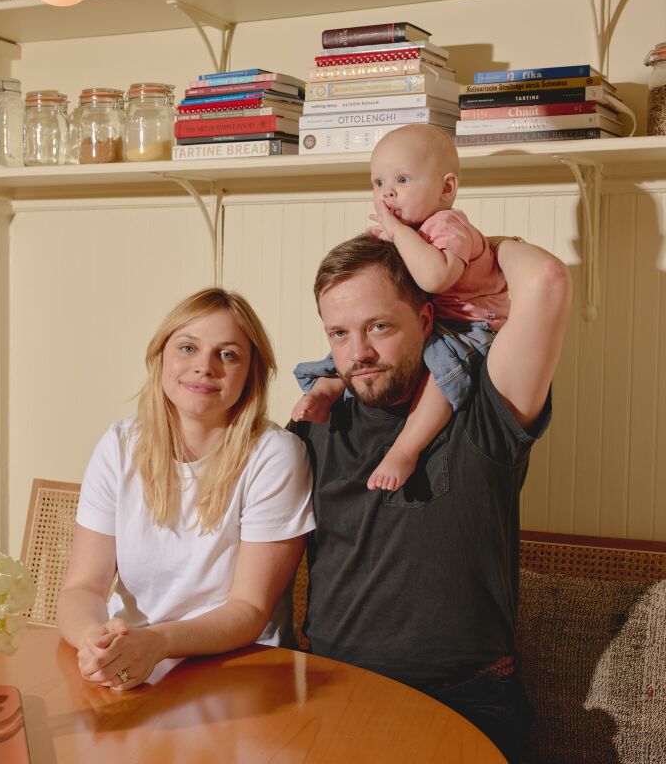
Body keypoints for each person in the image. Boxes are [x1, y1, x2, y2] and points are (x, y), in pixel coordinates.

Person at [290, 233, 571, 762]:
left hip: (466, 701)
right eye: (339, 333)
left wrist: (458, 246)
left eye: (379, 326)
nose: (359, 353)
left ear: (424, 321)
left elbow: (547, 282)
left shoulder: (485, 411)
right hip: (332, 691)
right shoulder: (317, 422)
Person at [58, 287, 315, 690]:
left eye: (227, 354)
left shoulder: (275, 455)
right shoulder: (120, 445)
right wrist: (96, 642)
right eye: (188, 348)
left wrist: (157, 643)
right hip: (129, 664)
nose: (205, 367)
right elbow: (82, 588)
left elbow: (249, 610)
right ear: (161, 357)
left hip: (238, 672)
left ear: (251, 372)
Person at [292, 124, 509, 493]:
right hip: (441, 319)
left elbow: (435, 278)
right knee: (352, 348)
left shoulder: (447, 225)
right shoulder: (404, 230)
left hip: (473, 323)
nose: (388, 192)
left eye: (403, 179)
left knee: (443, 372)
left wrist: (396, 232)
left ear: (446, 188)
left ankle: (406, 449)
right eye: (378, 183)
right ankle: (327, 389)